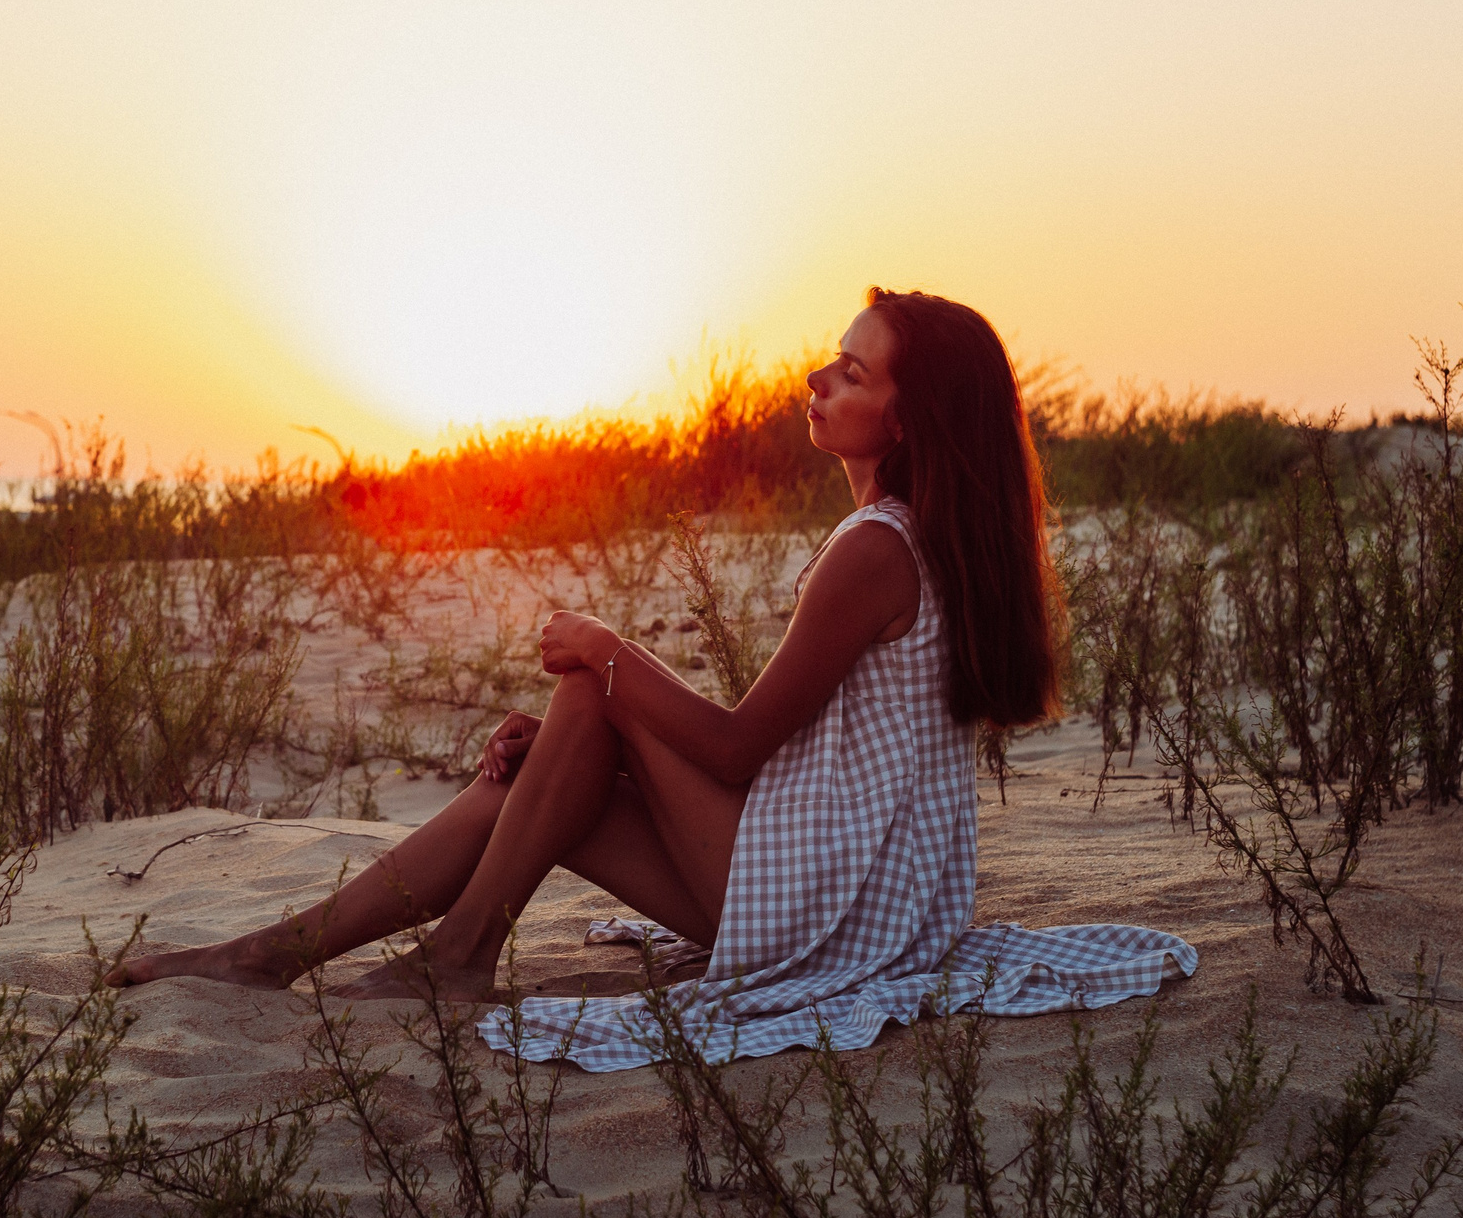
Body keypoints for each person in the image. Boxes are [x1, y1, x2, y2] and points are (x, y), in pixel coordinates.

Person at [107, 289, 1194, 1069]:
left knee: (588, 695)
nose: (817, 380)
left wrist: (605, 653)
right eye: (831, 359)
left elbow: (733, 748)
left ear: (905, 420)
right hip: (856, 886)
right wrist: (600, 702)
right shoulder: (912, 538)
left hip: (826, 902)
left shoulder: (876, 548)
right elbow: (753, 751)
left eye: (850, 374)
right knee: (535, 772)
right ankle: (280, 952)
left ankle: (445, 951)